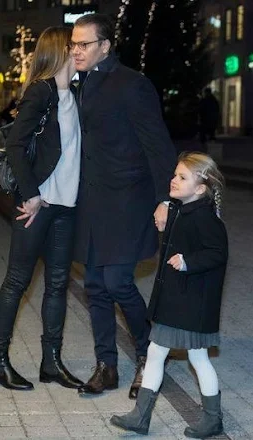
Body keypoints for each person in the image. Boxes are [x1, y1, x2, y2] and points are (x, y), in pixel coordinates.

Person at [70, 13, 176, 399]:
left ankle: (150, 357)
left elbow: (158, 146)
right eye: (73, 44)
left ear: (104, 46)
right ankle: (107, 366)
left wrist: (165, 199)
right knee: (95, 286)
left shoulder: (133, 85)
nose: (76, 50)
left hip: (128, 202)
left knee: (117, 282)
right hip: (91, 203)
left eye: (84, 44)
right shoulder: (78, 85)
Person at [0, 26, 84, 392]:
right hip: (37, 206)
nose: (77, 52)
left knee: (58, 284)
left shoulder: (76, 93)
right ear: (57, 50)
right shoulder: (40, 93)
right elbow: (15, 145)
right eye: (72, 46)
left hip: (66, 206)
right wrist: (29, 194)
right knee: (17, 281)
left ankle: (51, 363)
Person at [110, 152, 228, 438]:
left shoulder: (204, 217)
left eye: (182, 177)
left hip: (190, 303)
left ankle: (211, 419)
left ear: (200, 189)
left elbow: (217, 253)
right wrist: (164, 202)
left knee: (196, 358)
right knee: (158, 353)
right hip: (177, 300)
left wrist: (188, 262)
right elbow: (168, 204)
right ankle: (142, 416)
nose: (173, 180)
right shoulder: (182, 208)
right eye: (174, 175)